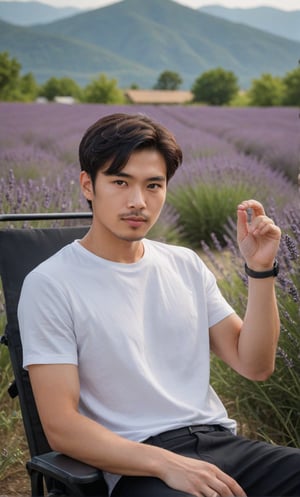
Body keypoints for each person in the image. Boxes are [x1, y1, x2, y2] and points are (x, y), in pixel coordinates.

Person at [18, 112, 300, 497]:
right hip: (134, 466)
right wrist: (166, 464)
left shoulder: (184, 263)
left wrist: (260, 270)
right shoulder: (50, 284)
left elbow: (255, 365)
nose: (138, 201)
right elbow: (62, 427)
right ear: (88, 185)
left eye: (153, 185)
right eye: (120, 182)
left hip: (219, 445)